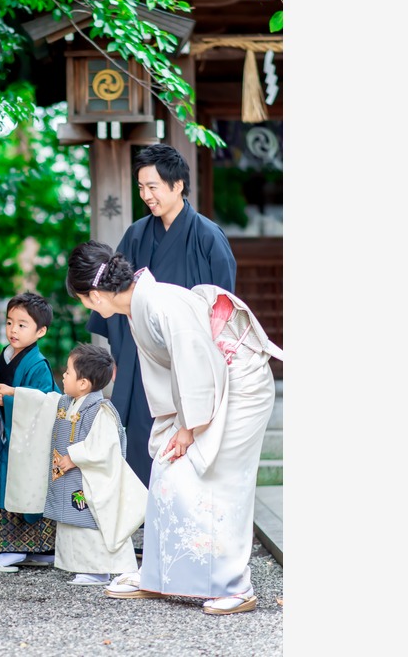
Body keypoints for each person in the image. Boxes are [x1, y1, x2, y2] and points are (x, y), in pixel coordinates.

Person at [66, 240, 282, 616]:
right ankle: (159, 573)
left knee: (222, 480)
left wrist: (188, 427)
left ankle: (236, 585)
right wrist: (178, 425)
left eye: (83, 299)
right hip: (212, 387)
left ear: (95, 296)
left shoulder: (159, 303)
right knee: (167, 472)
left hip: (240, 385)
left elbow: (196, 364)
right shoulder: (142, 304)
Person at [87, 143, 236, 489]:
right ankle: (139, 519)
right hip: (141, 355)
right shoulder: (136, 235)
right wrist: (119, 356)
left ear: (178, 184)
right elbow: (114, 297)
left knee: (189, 442)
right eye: (141, 187)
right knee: (139, 433)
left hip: (190, 363)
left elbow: (222, 309)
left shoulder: (208, 238)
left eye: (152, 186)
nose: (146, 195)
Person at [0, 343, 146, 586]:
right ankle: (81, 566)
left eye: (67, 372)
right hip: (68, 477)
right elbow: (42, 401)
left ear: (83, 383)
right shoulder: (65, 403)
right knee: (71, 522)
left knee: (89, 524)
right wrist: (15, 393)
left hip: (87, 480)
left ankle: (98, 570)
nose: (63, 376)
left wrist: (75, 456)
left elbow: (106, 445)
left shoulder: (100, 410)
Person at [0, 292, 59, 573]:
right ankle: (27, 548)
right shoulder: (6, 356)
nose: (13, 330)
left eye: (22, 324)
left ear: (40, 331)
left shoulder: (38, 365)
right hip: (5, 435)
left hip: (24, 443)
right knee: (2, 487)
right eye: (9, 322)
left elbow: (43, 403)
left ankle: (15, 548)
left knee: (20, 489)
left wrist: (13, 400)